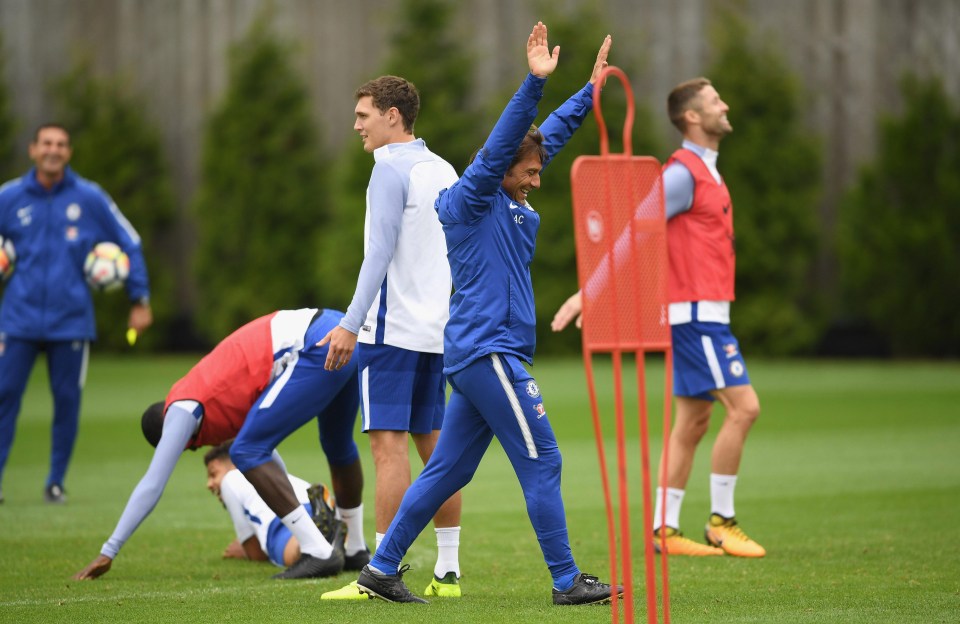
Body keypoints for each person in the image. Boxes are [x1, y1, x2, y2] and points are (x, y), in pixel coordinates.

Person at [354, 23, 622, 606]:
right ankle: (565, 580)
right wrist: (533, 82)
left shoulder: (511, 194)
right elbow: (509, 140)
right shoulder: (473, 197)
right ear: (498, 168)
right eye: (526, 171)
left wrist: (589, 92)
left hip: (481, 355)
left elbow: (541, 138)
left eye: (538, 170)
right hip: (490, 352)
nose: (536, 177)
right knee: (544, 457)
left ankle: (380, 569)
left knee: (447, 472)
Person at [550, 78, 765, 558]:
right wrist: (591, 293)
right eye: (714, 101)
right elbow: (635, 230)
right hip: (697, 317)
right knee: (744, 408)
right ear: (691, 117)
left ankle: (664, 530)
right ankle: (722, 521)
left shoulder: (705, 169)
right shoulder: (683, 173)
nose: (724, 105)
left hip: (703, 314)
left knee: (692, 421)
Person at [73, 308, 369, 580]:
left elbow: (152, 484)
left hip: (316, 344)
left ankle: (318, 551)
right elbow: (269, 458)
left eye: (188, 447)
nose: (196, 448)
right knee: (337, 444)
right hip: (340, 333)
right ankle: (355, 548)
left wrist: (108, 551)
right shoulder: (207, 396)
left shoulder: (180, 410)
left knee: (244, 451)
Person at [316, 75, 463, 600]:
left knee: (387, 448)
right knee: (438, 452)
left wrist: (349, 324)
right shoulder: (443, 168)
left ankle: (381, 573)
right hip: (434, 330)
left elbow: (376, 256)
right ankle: (448, 571)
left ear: (392, 116)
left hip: (391, 331)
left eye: (363, 115)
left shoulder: (387, 170)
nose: (356, 125)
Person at [0, 123, 153, 505]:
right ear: (33, 149)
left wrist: (140, 299)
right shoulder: (10, 197)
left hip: (70, 321)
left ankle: (55, 483)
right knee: (3, 395)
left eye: (62, 144)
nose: (54, 150)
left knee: (66, 401)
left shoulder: (89, 197)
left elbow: (130, 242)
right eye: (47, 143)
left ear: (69, 153)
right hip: (17, 319)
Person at [203, 440, 344, 570]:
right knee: (319, 540)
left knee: (300, 553)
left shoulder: (230, 479)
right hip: (309, 503)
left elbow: (256, 554)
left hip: (279, 521)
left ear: (234, 463)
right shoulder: (271, 470)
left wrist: (244, 551)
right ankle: (331, 530)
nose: (209, 484)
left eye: (213, 474)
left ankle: (318, 535)